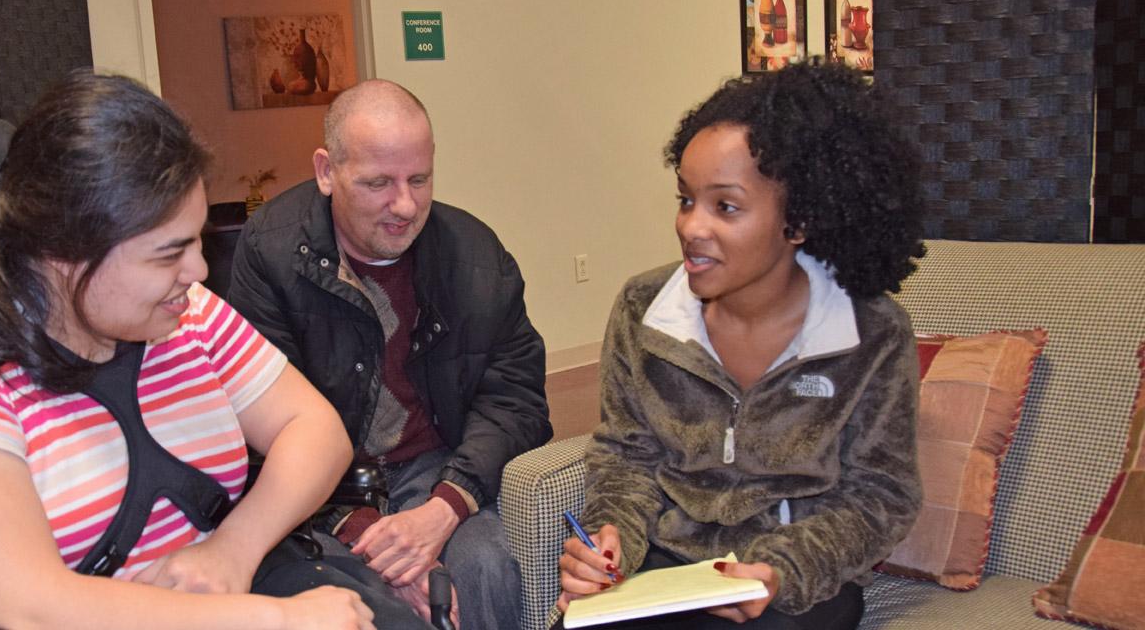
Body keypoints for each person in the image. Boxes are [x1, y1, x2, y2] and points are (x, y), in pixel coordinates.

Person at [0, 71, 432, 630]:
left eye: (197, 243)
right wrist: (275, 618)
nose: (198, 271)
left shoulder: (187, 316)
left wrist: (231, 551)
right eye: (167, 253)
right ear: (64, 251)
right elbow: (29, 607)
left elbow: (315, 429)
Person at [557, 60, 925, 629]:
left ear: (798, 220)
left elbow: (881, 494)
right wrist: (612, 541)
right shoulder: (644, 308)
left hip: (792, 588)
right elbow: (627, 457)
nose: (691, 227)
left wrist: (777, 569)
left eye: (725, 206)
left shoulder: (869, 333)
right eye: (685, 199)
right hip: (667, 569)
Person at [229, 78, 552, 630]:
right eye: (378, 183)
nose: (405, 205)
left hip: (438, 468)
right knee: (356, 599)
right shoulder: (271, 253)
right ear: (327, 171)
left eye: (419, 180)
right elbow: (258, 424)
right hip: (322, 485)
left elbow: (516, 401)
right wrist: (369, 537)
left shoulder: (476, 256)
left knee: (487, 566)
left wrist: (446, 507)